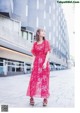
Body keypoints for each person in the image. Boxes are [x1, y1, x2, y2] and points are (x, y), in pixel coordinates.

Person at [26, 28, 51, 106]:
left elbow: (48, 53)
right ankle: (31, 97)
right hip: (36, 64)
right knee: (33, 80)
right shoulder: (35, 44)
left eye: (44, 31)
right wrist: (32, 64)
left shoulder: (46, 42)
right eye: (42, 31)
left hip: (44, 64)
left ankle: (45, 99)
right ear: (38, 33)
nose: (44, 33)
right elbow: (33, 55)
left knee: (44, 81)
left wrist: (45, 62)